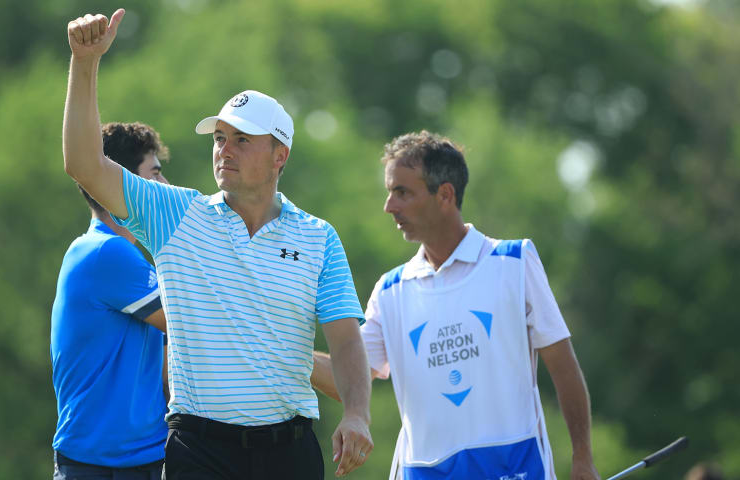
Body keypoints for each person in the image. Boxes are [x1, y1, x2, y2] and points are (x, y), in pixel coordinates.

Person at [63, 9, 373, 480]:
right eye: (220, 137)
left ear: (279, 155)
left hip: (289, 451)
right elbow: (85, 164)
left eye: (242, 140)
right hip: (199, 451)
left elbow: (346, 338)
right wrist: (85, 63)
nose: (224, 149)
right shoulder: (175, 213)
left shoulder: (318, 237)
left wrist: (356, 414)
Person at [312, 131, 601, 479]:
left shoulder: (515, 261)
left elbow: (563, 366)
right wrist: (278, 350)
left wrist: (583, 459)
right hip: (424, 471)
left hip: (514, 466)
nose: (390, 206)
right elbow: (350, 378)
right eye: (390, 193)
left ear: (445, 194)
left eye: (402, 192)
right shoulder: (390, 290)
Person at [51, 122, 170, 480]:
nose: (165, 187)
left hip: (132, 461)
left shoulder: (117, 254)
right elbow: (195, 319)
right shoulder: (108, 253)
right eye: (155, 174)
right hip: (104, 468)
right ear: (124, 183)